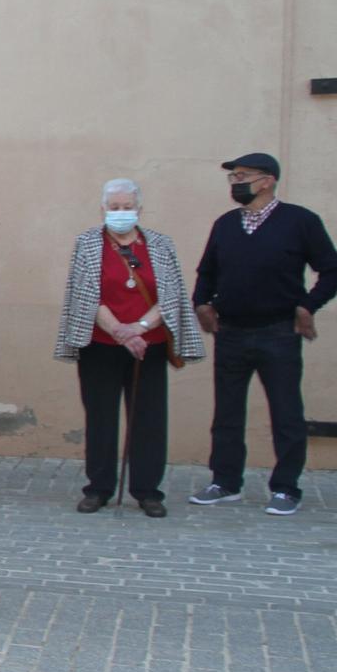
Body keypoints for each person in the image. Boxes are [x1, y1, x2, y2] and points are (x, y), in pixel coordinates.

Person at [189, 152, 337, 516]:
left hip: (278, 332)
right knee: (227, 413)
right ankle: (225, 481)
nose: (235, 183)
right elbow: (207, 272)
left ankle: (286, 487)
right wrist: (202, 304)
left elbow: (334, 269)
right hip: (231, 332)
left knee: (286, 411)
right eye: (233, 178)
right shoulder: (226, 224)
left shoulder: (300, 221)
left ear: (267, 180)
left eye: (242, 176)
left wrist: (309, 306)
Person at [56, 179, 205, 518]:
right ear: (103, 209)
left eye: (127, 207)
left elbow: (171, 295)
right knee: (101, 418)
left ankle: (148, 490)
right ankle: (98, 488)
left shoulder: (161, 245)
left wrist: (139, 328)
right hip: (101, 344)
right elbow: (85, 293)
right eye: (114, 207)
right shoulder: (88, 243)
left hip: (148, 345)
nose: (120, 213)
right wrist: (121, 332)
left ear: (139, 209)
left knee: (149, 419)